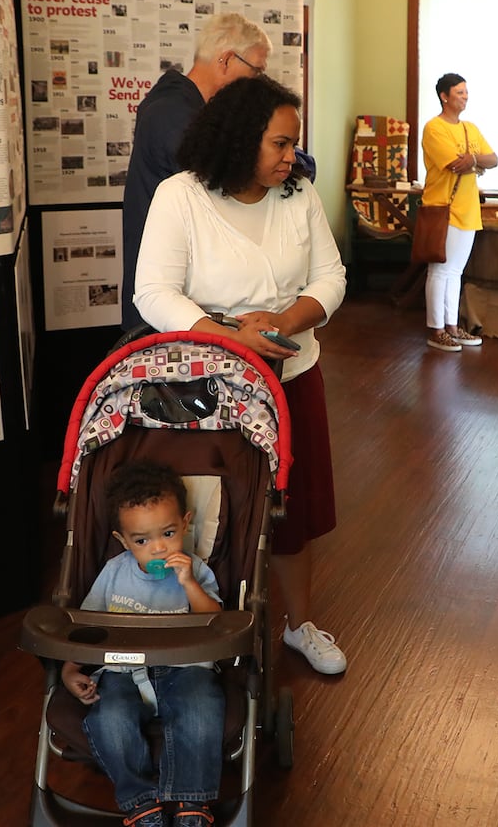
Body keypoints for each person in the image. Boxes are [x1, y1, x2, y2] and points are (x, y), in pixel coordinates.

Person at [136, 75, 349, 676]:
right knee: (213, 507)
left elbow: (331, 277)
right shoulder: (181, 196)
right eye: (280, 144)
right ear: (238, 140)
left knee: (292, 509)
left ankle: (299, 624)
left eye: (293, 145)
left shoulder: (296, 195)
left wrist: (285, 320)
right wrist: (230, 336)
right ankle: (205, 622)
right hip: (208, 385)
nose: (292, 157)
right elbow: (153, 292)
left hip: (293, 374)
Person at [60, 462, 223, 827]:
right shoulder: (114, 573)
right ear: (123, 540)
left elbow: (214, 624)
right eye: (142, 541)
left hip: (185, 668)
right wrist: (71, 669)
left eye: (168, 532)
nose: (159, 548)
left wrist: (189, 585)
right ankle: (141, 804)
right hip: (120, 669)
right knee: (109, 718)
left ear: (186, 522)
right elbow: (87, 628)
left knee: (202, 708)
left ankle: (190, 802)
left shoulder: (196, 570)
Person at [120, 13, 271, 331]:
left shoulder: (186, 107)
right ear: (227, 59)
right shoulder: (174, 113)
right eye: (256, 70)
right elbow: (226, 182)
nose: (258, 81)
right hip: (169, 296)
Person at [420, 73, 498, 352]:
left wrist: (474, 160)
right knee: (440, 270)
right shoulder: (434, 128)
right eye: (459, 92)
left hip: (468, 210)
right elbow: (453, 164)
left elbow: (494, 159)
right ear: (444, 96)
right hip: (443, 208)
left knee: (455, 272)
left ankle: (452, 327)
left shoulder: (470, 128)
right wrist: (476, 164)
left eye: (466, 92)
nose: (465, 97)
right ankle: (436, 329)